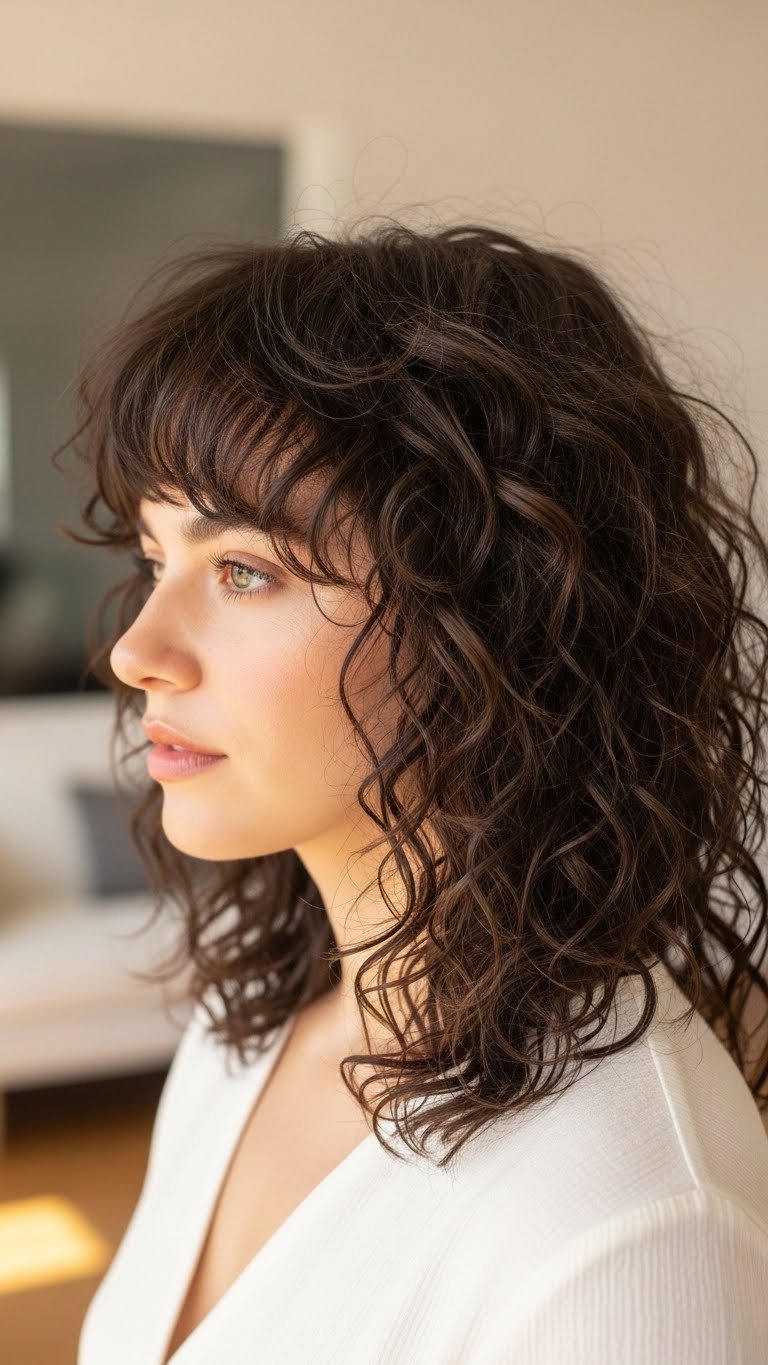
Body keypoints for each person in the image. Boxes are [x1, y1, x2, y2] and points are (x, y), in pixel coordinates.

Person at [63, 218, 768, 1363]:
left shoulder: (628, 1232)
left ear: (496, 615)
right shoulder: (245, 1033)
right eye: (157, 561)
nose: (138, 650)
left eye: (245, 570)